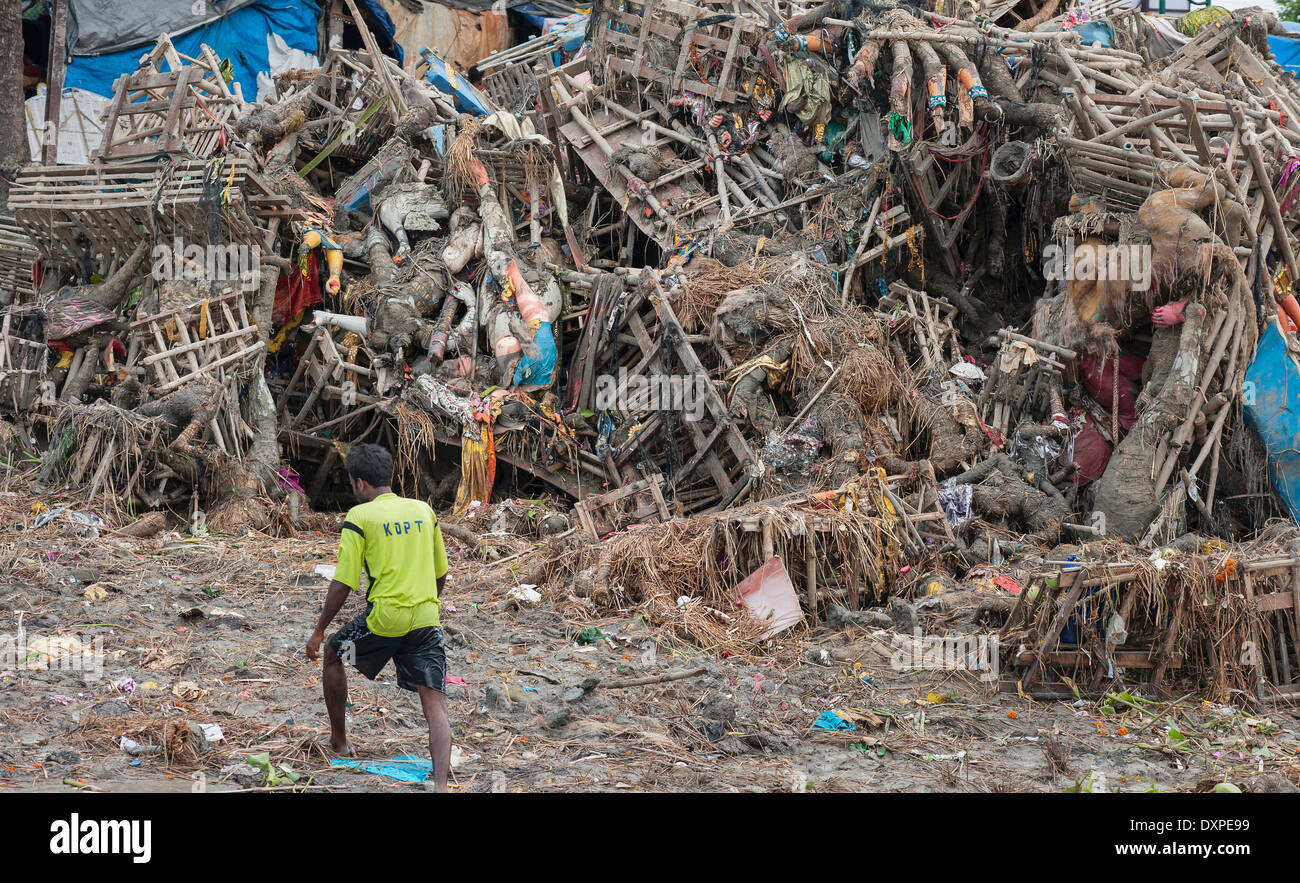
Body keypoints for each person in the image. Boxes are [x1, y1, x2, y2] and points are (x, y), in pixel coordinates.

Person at [305, 444, 452, 791]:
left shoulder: (360, 518)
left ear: (359, 483)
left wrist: (319, 630)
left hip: (384, 622)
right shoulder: (423, 511)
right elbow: (441, 573)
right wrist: (425, 603)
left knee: (334, 652)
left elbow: (343, 582)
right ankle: (442, 787)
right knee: (435, 704)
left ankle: (339, 742)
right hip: (426, 620)